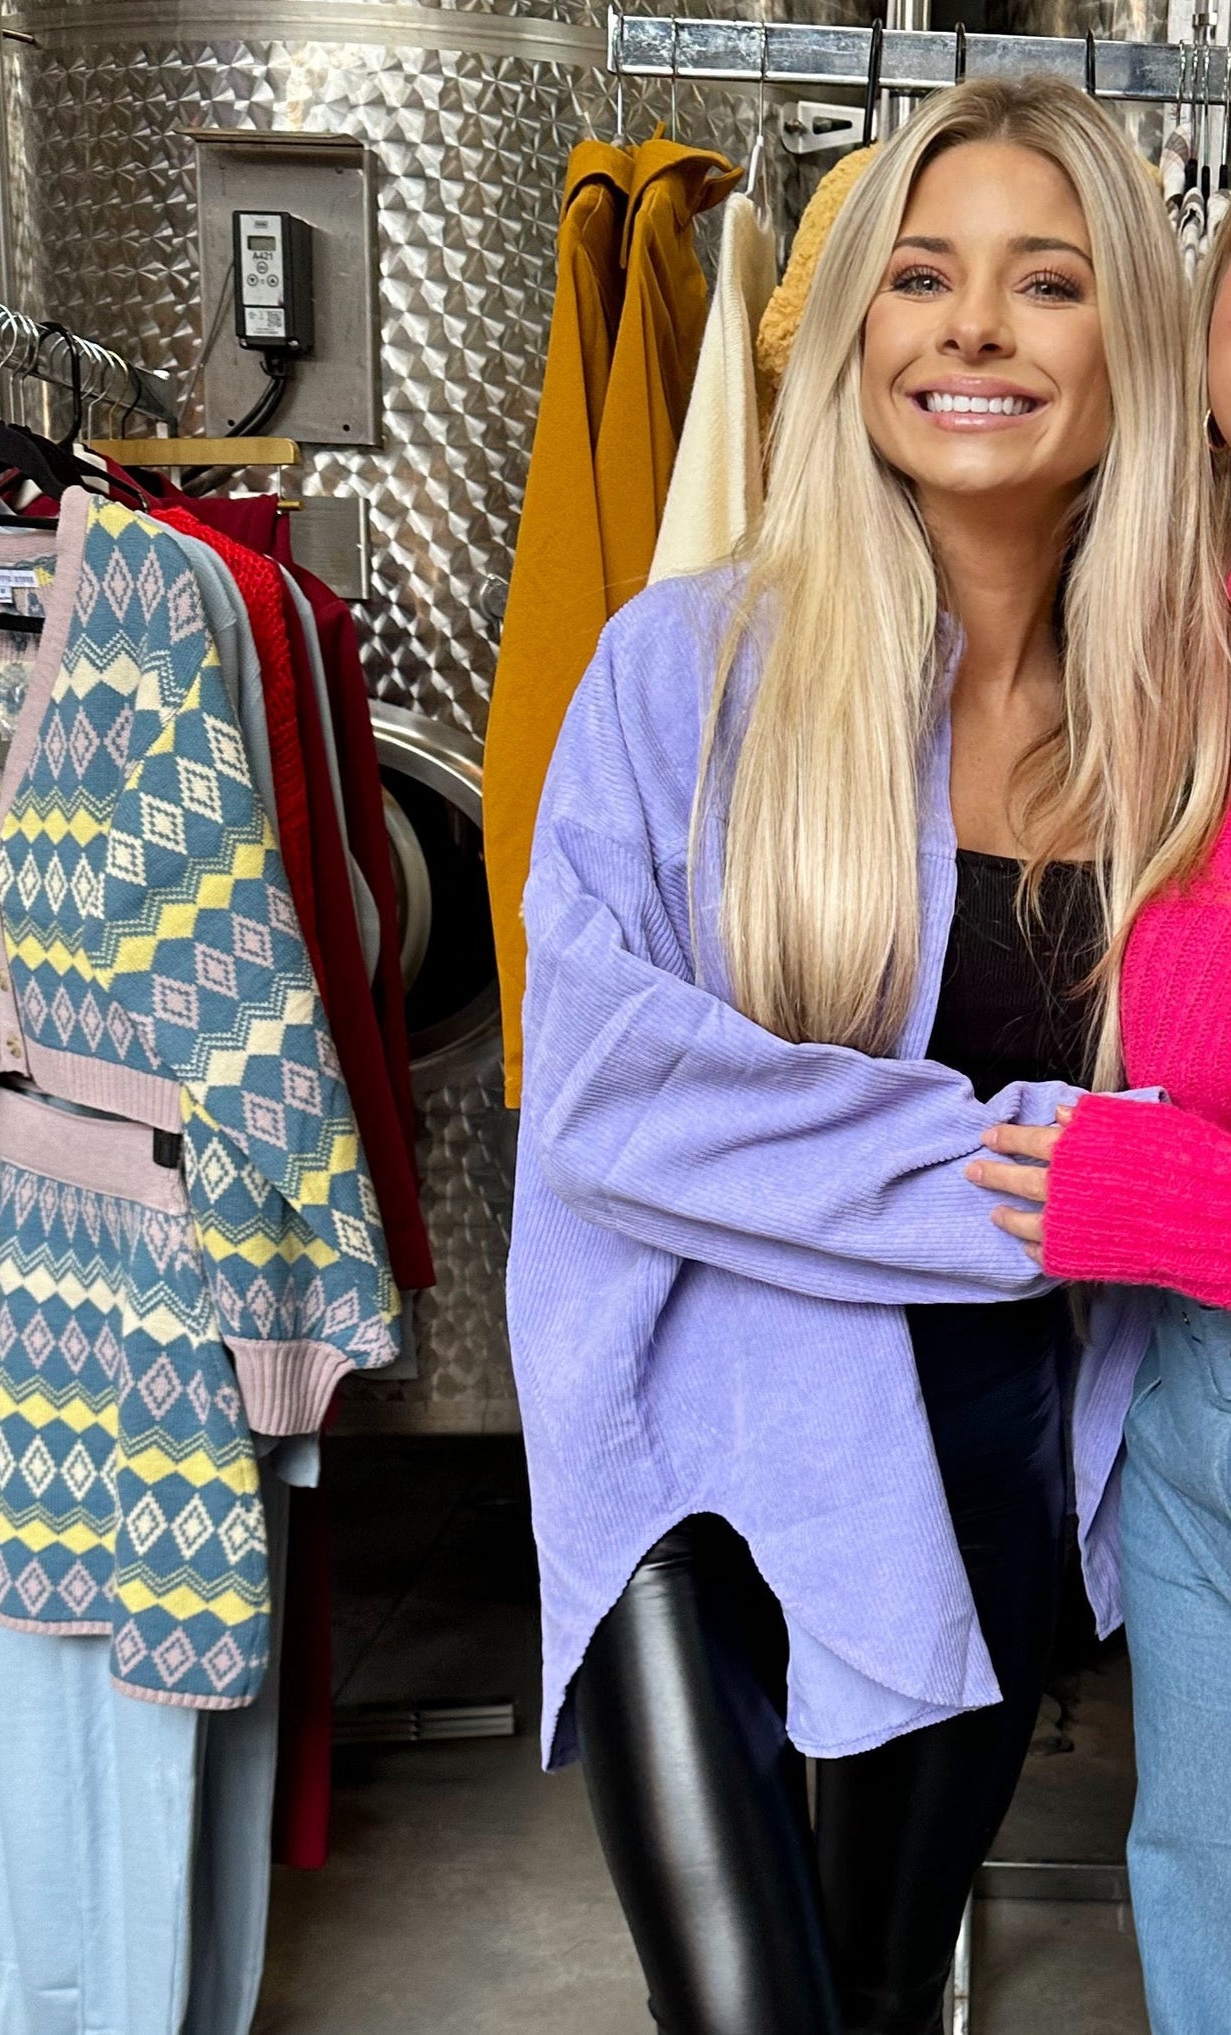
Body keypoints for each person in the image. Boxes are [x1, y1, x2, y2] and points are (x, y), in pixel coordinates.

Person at [508, 77, 1196, 2035]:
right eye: (922, 276)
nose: (973, 328)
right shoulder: (683, 669)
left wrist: (1097, 1193)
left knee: (886, 1992)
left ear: (1124, 342)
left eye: (1045, 282)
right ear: (862, 334)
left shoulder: (1181, 737)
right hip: (685, 1434)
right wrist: (1044, 1175)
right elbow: (610, 1091)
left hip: (972, 1466)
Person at [968, 206, 1231, 2035]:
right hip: (1176, 1395)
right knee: (1202, 1868)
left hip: (1173, 1261)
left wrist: (1174, 1201)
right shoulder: (1159, 606)